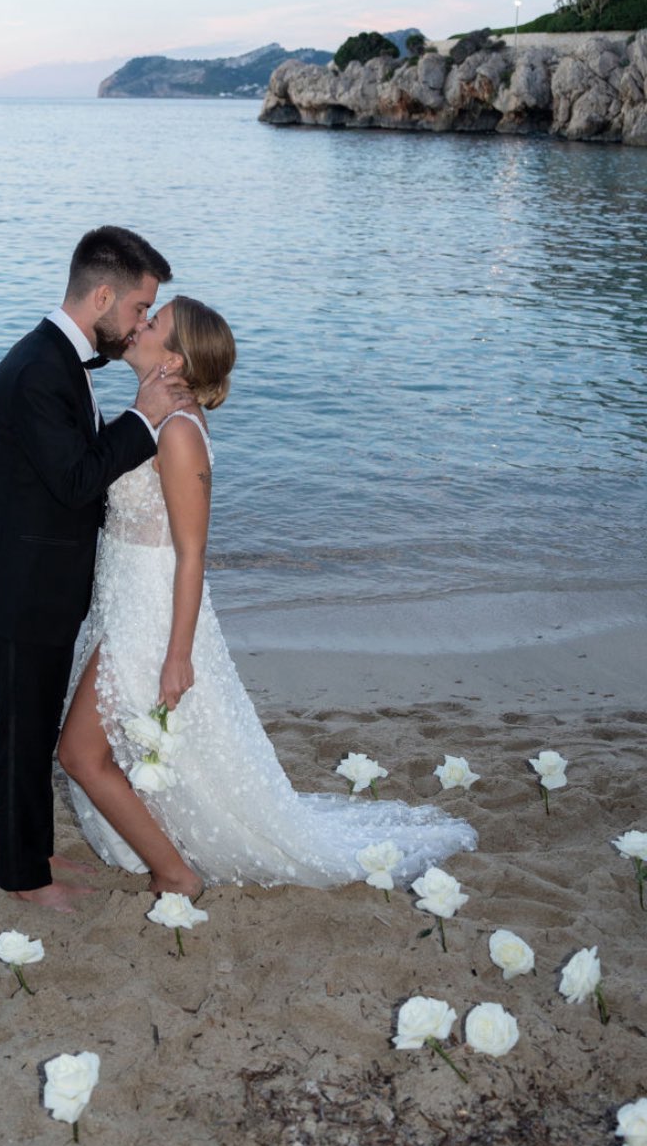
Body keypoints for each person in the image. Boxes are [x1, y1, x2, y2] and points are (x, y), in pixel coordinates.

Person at [59, 295, 476, 894]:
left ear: (174, 360)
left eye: (155, 322)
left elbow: (192, 553)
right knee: (93, 751)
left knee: (79, 753)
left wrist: (178, 655)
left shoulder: (178, 432)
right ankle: (170, 864)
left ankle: (177, 876)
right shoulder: (153, 414)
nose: (140, 325)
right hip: (123, 604)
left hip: (150, 616)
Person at [0, 226, 189, 912]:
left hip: (38, 585)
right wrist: (143, 420)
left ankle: (30, 851)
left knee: (30, 729)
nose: (142, 322)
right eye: (141, 308)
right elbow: (74, 480)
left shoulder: (58, 360)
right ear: (104, 295)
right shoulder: (37, 373)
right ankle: (23, 877)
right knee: (24, 734)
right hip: (22, 591)